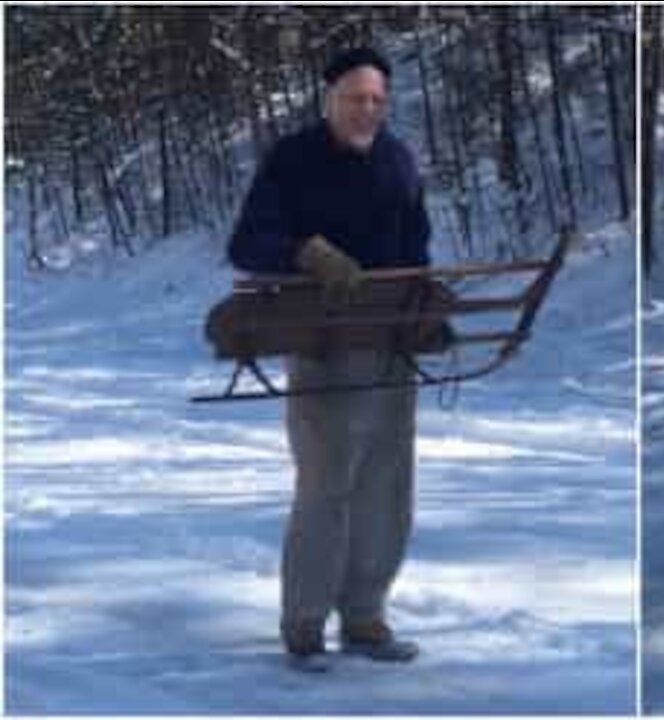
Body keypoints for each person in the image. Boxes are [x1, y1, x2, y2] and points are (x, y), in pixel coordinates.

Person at [228, 46, 429, 669]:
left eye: (376, 100)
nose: (366, 110)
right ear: (329, 99)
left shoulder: (397, 159)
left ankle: (365, 619)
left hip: (391, 342)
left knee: (387, 485)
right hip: (324, 346)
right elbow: (246, 243)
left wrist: (426, 305)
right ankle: (306, 626)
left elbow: (417, 245)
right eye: (354, 99)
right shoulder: (295, 159)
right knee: (326, 485)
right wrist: (305, 252)